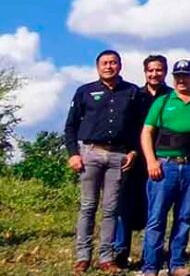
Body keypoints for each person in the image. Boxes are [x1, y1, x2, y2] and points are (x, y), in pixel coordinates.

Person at [63, 49, 141, 274]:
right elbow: (70, 126)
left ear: (120, 66)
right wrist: (73, 154)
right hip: (90, 153)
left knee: (111, 209)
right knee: (88, 207)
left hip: (118, 155)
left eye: (113, 63)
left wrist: (134, 152)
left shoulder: (131, 92)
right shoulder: (85, 91)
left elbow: (139, 126)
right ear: (98, 67)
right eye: (105, 63)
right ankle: (83, 257)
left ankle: (106, 257)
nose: (109, 66)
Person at [139, 60, 190, 276]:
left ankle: (176, 264)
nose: (182, 80)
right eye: (178, 76)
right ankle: (150, 266)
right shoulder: (163, 102)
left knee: (184, 218)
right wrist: (151, 161)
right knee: (156, 218)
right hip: (164, 167)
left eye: (186, 75)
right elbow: (146, 132)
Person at [114, 54, 172, 269]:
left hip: (162, 158)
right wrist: (131, 151)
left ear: (165, 72)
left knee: (156, 208)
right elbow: (128, 127)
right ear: (145, 72)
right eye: (151, 70)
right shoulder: (135, 95)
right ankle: (121, 251)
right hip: (135, 158)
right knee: (125, 205)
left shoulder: (171, 97)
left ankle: (152, 253)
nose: (154, 74)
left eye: (159, 70)